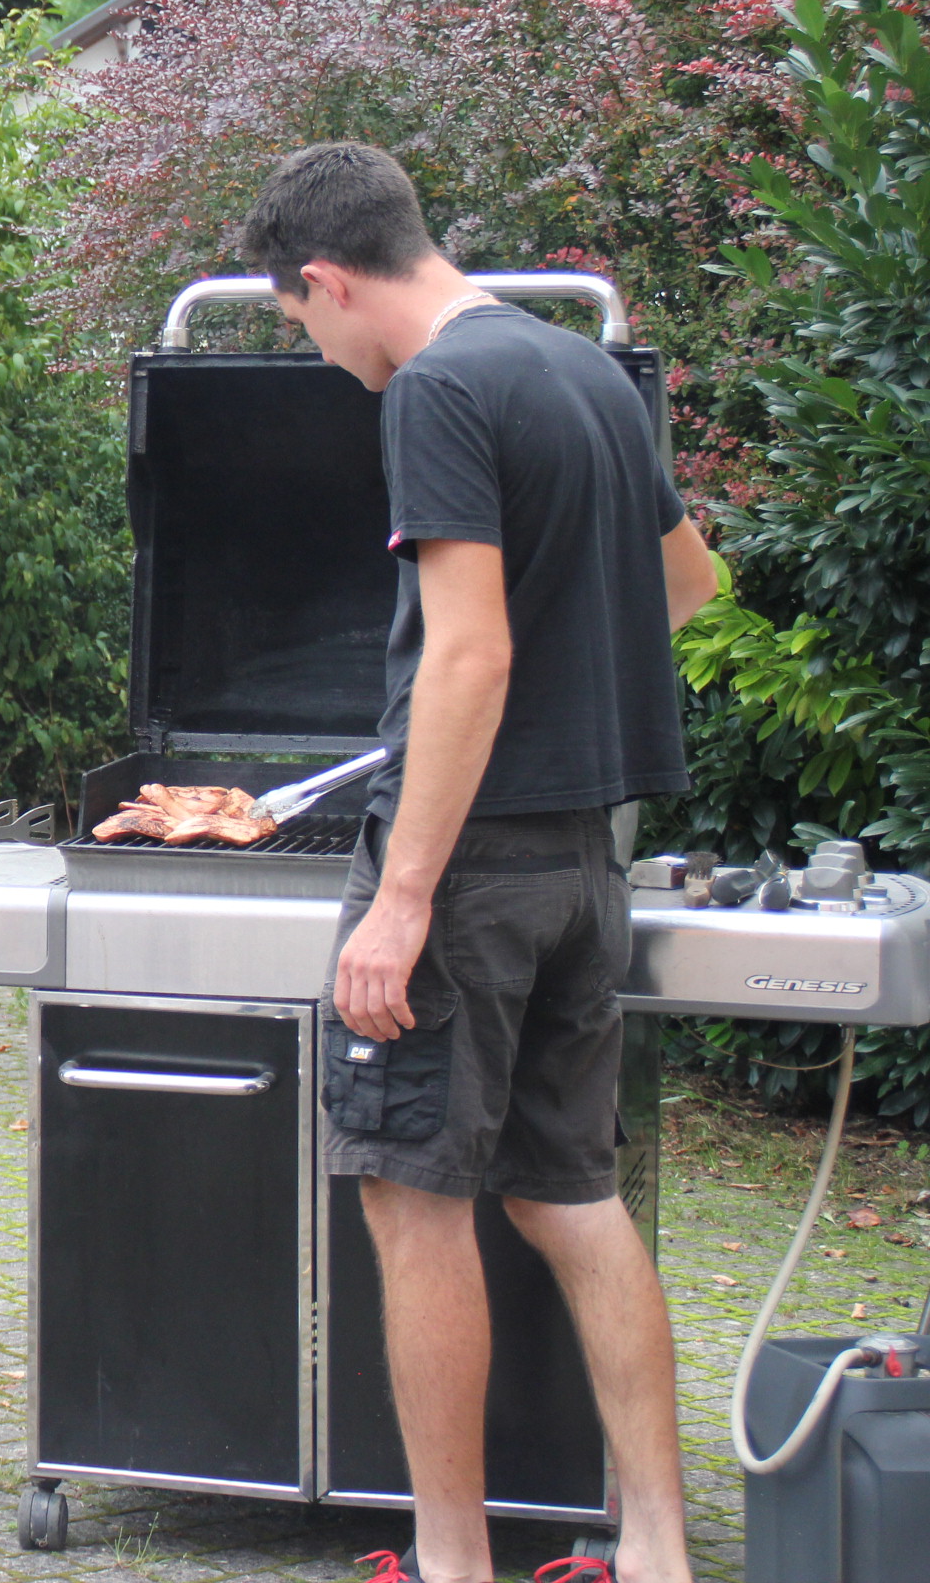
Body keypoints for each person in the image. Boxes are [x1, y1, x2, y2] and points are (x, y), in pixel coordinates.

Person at [237, 143, 717, 1583]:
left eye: (302, 323)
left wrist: (399, 900)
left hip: (469, 871)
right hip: (586, 857)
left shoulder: (441, 388)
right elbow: (688, 583)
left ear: (326, 280)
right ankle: (657, 1551)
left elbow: (469, 653)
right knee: (571, 1195)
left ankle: (452, 1563)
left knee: (412, 1198)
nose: (319, 353)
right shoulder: (580, 372)